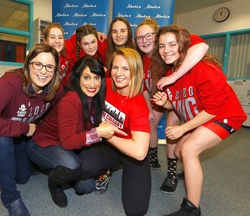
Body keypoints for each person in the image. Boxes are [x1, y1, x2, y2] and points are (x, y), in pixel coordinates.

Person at [152, 25, 247, 216]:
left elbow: (212, 110)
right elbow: (181, 104)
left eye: (172, 44)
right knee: (179, 152)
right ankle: (190, 169)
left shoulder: (204, 68)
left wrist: (182, 129)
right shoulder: (170, 76)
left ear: (184, 46)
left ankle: (191, 209)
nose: (166, 50)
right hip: (203, 117)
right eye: (161, 46)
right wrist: (167, 104)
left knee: (188, 150)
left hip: (224, 115)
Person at [0, 43, 63, 216]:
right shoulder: (11, 82)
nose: (43, 71)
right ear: (28, 64)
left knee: (23, 177)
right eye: (38, 64)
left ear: (55, 70)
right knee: (1, 139)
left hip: (17, 132)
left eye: (49, 67)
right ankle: (10, 198)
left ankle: (7, 159)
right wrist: (24, 127)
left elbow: (55, 112)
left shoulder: (55, 90)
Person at [27, 55, 126, 208]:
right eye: (86, 78)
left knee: (85, 188)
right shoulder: (71, 99)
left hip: (72, 143)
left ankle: (60, 167)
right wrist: (98, 133)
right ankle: (54, 185)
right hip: (44, 143)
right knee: (72, 165)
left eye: (96, 78)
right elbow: (67, 142)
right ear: (78, 78)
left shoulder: (95, 98)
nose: (92, 84)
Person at [135, 17, 209, 193]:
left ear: (157, 35)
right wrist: (149, 109)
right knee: (150, 122)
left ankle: (172, 174)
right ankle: (154, 158)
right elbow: (144, 87)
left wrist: (173, 77)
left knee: (172, 131)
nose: (144, 40)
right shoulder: (141, 59)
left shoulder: (170, 48)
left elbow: (202, 47)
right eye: (139, 37)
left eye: (148, 35)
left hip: (182, 95)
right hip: (164, 98)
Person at [79, 48, 151, 216]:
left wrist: (108, 134)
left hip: (130, 152)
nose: (119, 73)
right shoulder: (106, 84)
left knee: (136, 211)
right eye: (116, 67)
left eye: (126, 69)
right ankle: (106, 170)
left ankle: (127, 172)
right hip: (106, 147)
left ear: (135, 71)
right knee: (84, 166)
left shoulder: (138, 103)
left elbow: (140, 152)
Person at [95, 16, 136, 194]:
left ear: (129, 32)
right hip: (110, 98)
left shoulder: (137, 51)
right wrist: (95, 33)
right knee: (107, 132)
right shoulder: (104, 47)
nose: (118, 35)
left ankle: (128, 161)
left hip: (131, 99)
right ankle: (107, 167)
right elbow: (83, 41)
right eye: (114, 31)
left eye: (122, 30)